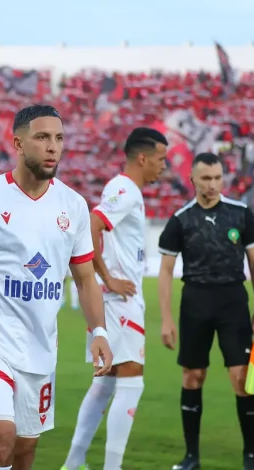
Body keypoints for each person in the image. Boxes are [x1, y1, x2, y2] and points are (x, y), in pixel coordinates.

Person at [0, 104, 114, 470]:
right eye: (42, 137)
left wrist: (99, 330)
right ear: (18, 143)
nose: (53, 147)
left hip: (40, 350)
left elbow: (83, 277)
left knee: (24, 452)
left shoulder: (74, 206)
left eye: (59, 138)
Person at [62, 127, 169, 470]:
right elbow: (92, 225)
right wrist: (108, 278)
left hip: (111, 299)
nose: (164, 167)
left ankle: (74, 461)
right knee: (131, 380)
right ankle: (111, 466)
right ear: (143, 158)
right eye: (161, 159)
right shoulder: (124, 190)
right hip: (117, 300)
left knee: (105, 384)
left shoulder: (124, 190)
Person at [157, 152, 254, 470]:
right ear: (192, 180)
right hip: (195, 302)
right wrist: (166, 318)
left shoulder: (241, 214)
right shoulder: (180, 220)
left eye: (218, 177)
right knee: (193, 377)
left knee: (243, 378)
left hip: (233, 300)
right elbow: (165, 272)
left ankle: (251, 456)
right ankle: (191, 456)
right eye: (206, 178)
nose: (213, 184)